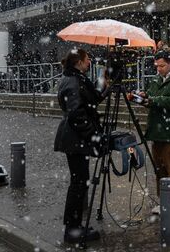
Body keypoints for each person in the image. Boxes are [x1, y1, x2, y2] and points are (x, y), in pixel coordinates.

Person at [53, 49, 108, 245]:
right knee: (78, 183)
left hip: (74, 139)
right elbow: (77, 114)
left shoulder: (74, 78)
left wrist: (105, 82)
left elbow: (93, 99)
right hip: (74, 140)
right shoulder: (73, 81)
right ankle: (72, 230)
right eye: (87, 59)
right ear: (79, 62)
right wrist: (93, 136)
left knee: (79, 181)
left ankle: (74, 226)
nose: (90, 62)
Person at [131, 50, 170, 213]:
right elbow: (152, 97)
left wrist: (154, 100)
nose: (159, 69)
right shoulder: (157, 79)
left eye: (162, 65)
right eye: (157, 66)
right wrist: (143, 97)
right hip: (157, 131)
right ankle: (163, 201)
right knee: (159, 168)